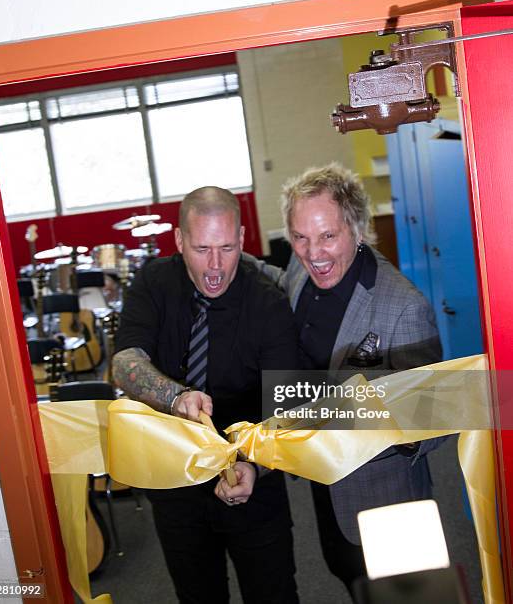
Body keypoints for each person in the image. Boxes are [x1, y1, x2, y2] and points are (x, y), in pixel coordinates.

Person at [251, 161, 444, 594]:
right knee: (348, 578)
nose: (313, 253)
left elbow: (437, 421)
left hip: (386, 498)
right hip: (328, 487)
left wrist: (372, 415)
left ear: (356, 229)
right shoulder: (302, 270)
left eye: (327, 236)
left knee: (410, 599)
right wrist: (228, 256)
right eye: (299, 237)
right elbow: (283, 281)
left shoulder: (402, 307)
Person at [112, 186, 299, 604]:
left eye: (227, 248)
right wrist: (176, 397)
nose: (215, 266)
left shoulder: (268, 304)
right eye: (201, 249)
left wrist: (252, 466)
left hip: (254, 481)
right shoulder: (154, 283)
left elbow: (287, 411)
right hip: (176, 484)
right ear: (179, 241)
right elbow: (124, 362)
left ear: (243, 237)